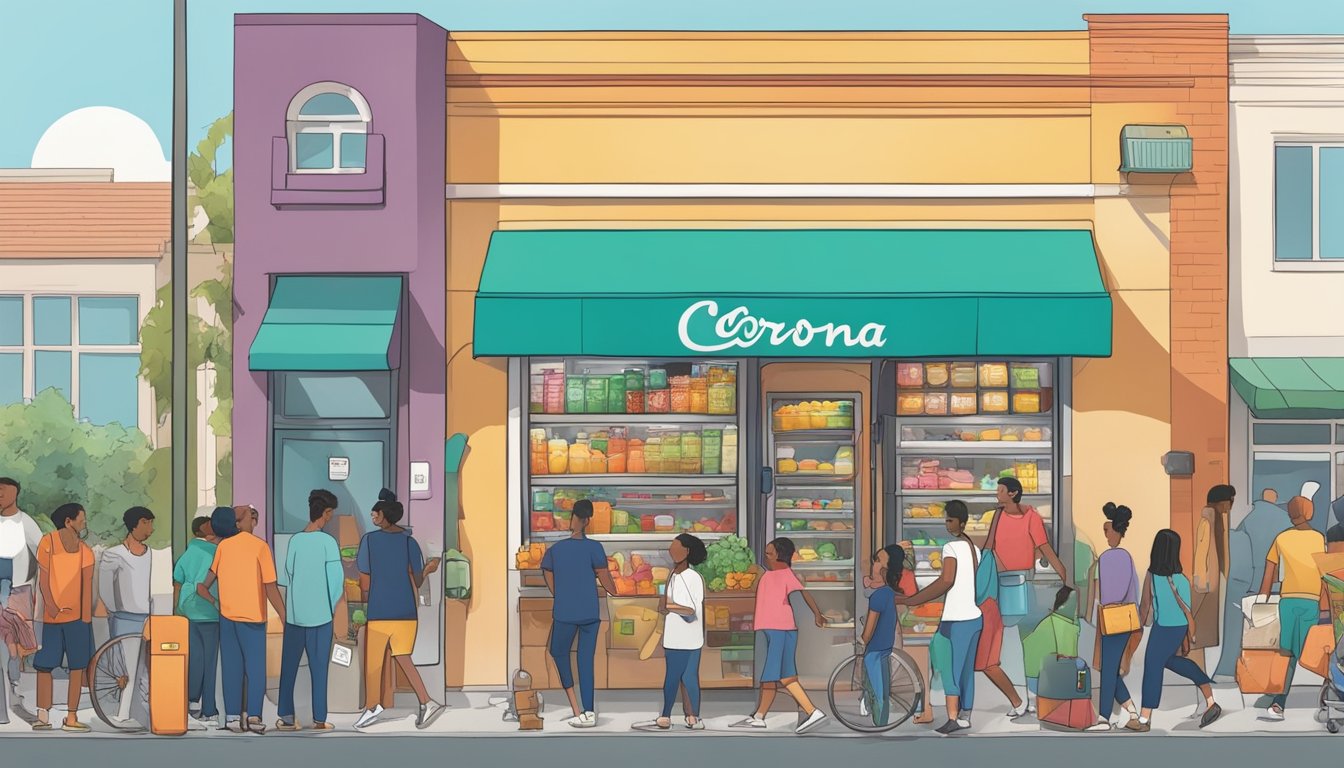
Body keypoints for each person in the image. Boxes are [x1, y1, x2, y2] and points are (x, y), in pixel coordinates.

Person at [976, 477, 1068, 721]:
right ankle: (1023, 699)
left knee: (1028, 642)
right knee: (1011, 645)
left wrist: (1063, 572)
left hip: (1023, 584)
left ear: (1013, 493)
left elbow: (1044, 546)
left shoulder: (1031, 517)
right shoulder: (996, 516)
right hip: (1001, 584)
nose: (997, 494)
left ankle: (1031, 697)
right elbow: (989, 546)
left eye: (1001, 490)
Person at [353, 489, 445, 731]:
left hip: (379, 611)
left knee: (374, 664)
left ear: (383, 515)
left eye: (375, 513)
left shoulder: (369, 541)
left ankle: (373, 707)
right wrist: (429, 569)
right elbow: (416, 581)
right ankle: (426, 701)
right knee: (403, 658)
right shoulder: (409, 542)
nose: (372, 516)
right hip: (405, 612)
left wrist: (364, 603)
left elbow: (364, 581)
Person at [197, 505, 285, 734]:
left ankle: (233, 718)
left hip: (227, 617)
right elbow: (270, 587)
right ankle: (254, 717)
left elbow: (203, 585)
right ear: (242, 523)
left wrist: (216, 603)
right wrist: (285, 615)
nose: (253, 520)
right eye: (251, 517)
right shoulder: (260, 547)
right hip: (253, 617)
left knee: (231, 668)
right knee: (255, 669)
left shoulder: (223, 547)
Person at [898, 500, 983, 735]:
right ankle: (965, 715)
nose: (947, 524)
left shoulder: (951, 547)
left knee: (950, 669)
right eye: (946, 519)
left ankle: (953, 718)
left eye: (950, 520)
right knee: (966, 670)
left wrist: (913, 599)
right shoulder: (975, 550)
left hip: (955, 618)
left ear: (962, 523)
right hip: (974, 617)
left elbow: (946, 581)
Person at [731, 537, 827, 734]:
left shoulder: (785, 575)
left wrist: (817, 614)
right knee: (783, 676)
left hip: (780, 630)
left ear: (780, 556)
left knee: (774, 676)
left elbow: (804, 593)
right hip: (768, 629)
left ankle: (808, 711)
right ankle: (762, 716)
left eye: (769, 553)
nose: (766, 557)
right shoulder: (768, 575)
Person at [1128, 529, 1222, 731]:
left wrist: (1138, 626)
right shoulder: (1181, 579)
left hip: (1162, 628)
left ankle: (1144, 719)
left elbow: (1145, 605)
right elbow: (1187, 609)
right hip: (1179, 628)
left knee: (1153, 667)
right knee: (1173, 662)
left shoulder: (1152, 576)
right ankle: (1210, 699)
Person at [541, 498, 618, 729]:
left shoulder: (556, 550)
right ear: (588, 521)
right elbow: (606, 581)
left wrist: (560, 593)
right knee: (586, 661)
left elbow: (547, 572)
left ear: (573, 518)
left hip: (565, 612)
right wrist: (617, 590)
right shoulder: (595, 548)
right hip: (589, 613)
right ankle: (589, 712)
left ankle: (575, 707)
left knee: (558, 651)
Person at [277, 490, 344, 732]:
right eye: (331, 514)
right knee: (319, 669)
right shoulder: (328, 543)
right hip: (321, 617)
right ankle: (319, 719)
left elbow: (286, 577)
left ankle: (285, 716)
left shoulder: (295, 541)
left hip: (295, 616)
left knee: (288, 668)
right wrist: (329, 605)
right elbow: (336, 582)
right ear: (325, 513)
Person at [1257, 494, 1327, 721]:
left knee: (1286, 652)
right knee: (1313, 648)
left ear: (1290, 514)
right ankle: (1328, 697)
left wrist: (1261, 599)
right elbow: (1324, 573)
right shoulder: (1319, 539)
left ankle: (1279, 701)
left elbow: (1269, 571)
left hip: (1288, 600)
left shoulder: (1281, 538)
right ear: (1310, 512)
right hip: (1311, 600)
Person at [634, 533, 708, 732]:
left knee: (686, 678)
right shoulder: (673, 575)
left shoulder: (693, 578)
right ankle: (680, 715)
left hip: (688, 638)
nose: (670, 550)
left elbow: (691, 610)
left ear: (687, 551)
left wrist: (669, 605)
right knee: (678, 677)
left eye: (675, 547)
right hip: (674, 636)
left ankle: (683, 716)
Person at [32, 503, 95, 732]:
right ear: (69, 521)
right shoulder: (48, 543)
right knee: (44, 666)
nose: (84, 523)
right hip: (51, 619)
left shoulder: (86, 551)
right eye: (82, 519)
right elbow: (44, 579)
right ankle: (43, 714)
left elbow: (86, 587)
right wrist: (51, 607)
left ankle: (71, 716)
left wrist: (86, 620)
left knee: (78, 667)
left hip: (77, 620)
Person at [1085, 503, 1140, 732]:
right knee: (1111, 668)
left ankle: (1104, 717)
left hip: (1109, 617)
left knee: (1108, 669)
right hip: (1126, 618)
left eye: (1107, 531)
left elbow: (1103, 594)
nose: (1106, 536)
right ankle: (1132, 711)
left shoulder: (1105, 559)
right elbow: (1133, 589)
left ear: (1115, 531)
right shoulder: (1127, 557)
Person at [98, 506, 155, 724]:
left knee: (148, 668)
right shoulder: (114, 554)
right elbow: (104, 588)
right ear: (136, 524)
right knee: (129, 669)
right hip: (125, 619)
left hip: (149, 618)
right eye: (147, 522)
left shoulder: (153, 555)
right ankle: (124, 712)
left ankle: (146, 710)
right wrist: (115, 610)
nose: (150, 527)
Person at [1218, 485, 1273, 681]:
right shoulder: (1284, 521)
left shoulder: (1248, 522)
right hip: (1273, 584)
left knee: (1237, 628)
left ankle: (1229, 669)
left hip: (1244, 583)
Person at [173, 515, 220, 725]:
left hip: (188, 609)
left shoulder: (188, 552)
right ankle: (209, 708)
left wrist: (176, 610)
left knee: (195, 659)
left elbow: (177, 582)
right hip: (210, 609)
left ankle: (192, 702)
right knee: (211, 662)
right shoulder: (217, 551)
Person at [0, 476, 41, 712]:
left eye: (4, 490)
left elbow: (42, 552)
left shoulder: (26, 522)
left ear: (16, 493)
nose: (0, 494)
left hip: (18, 589)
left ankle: (14, 688)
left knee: (17, 643)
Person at [859, 543, 905, 727]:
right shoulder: (888, 593)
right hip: (886, 647)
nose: (873, 565)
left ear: (886, 569)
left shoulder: (878, 596)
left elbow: (869, 629)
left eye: (878, 561)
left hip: (874, 649)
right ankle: (880, 720)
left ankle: (880, 723)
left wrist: (861, 640)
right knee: (882, 686)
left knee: (876, 689)